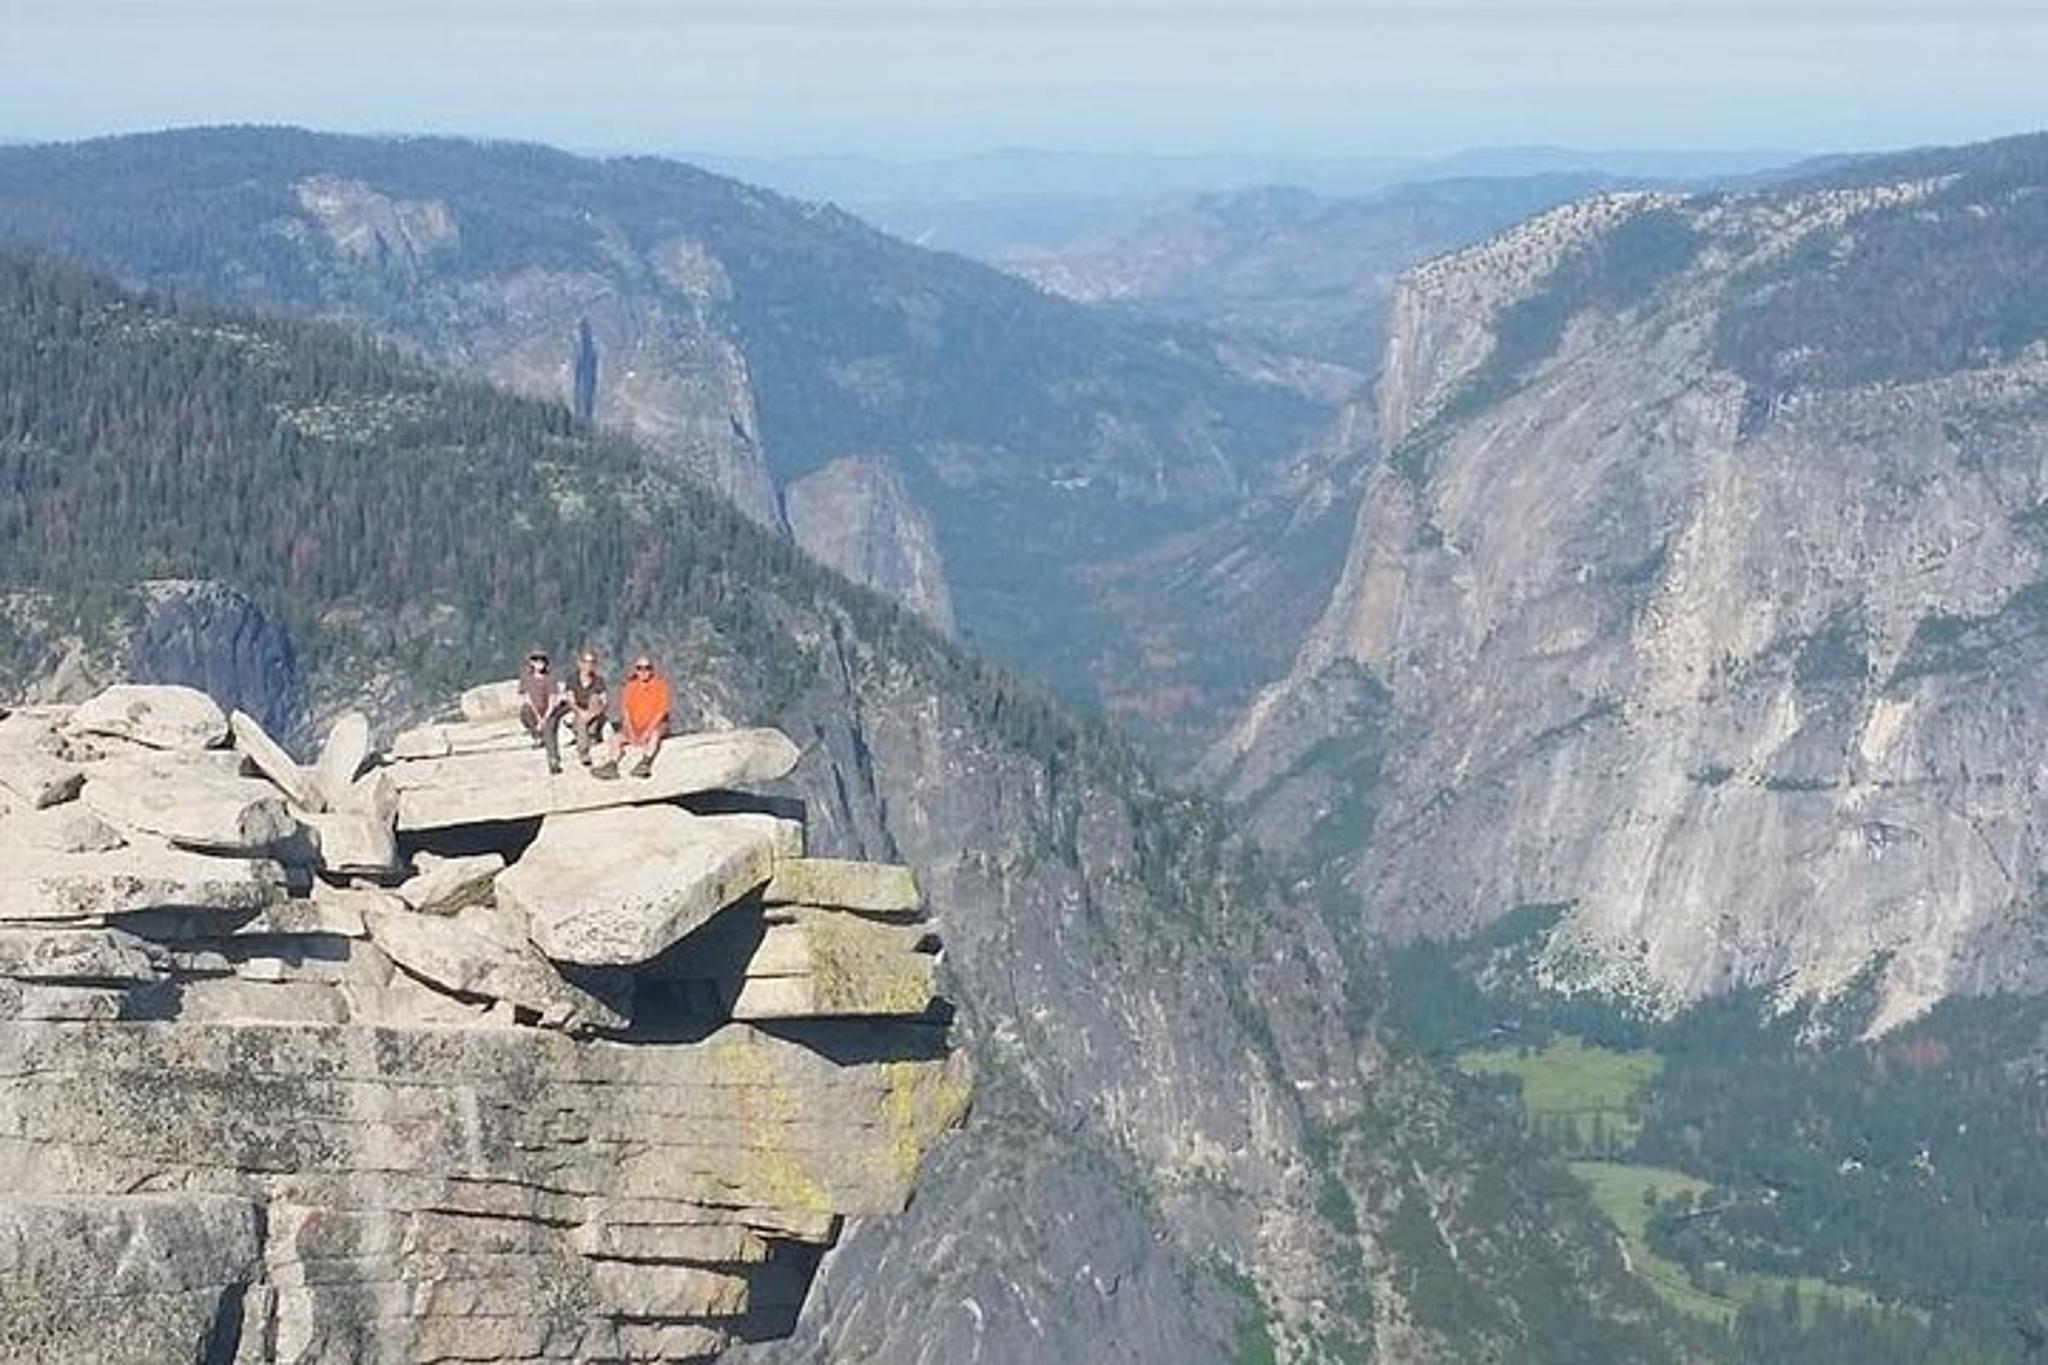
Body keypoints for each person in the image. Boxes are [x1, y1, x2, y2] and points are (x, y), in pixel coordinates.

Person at [608, 654, 671, 779]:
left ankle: (645, 763)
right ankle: (611, 765)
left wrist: (646, 733)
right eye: (639, 668)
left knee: (655, 735)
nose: (643, 671)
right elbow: (626, 711)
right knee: (616, 738)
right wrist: (631, 732)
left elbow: (660, 712)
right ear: (636, 670)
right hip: (635, 726)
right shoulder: (630, 687)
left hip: (654, 726)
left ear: (652, 670)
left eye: (647, 668)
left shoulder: (660, 686)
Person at [518, 648, 567, 775]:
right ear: (531, 663)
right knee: (525, 712)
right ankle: (537, 735)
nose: (539, 663)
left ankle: (553, 760)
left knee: (549, 730)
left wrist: (545, 718)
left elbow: (553, 699)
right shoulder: (526, 678)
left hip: (549, 710)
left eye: (542, 661)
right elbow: (526, 699)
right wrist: (538, 719)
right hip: (534, 710)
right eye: (536, 660)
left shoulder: (550, 678)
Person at [565, 648, 610, 767]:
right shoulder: (572, 679)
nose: (588, 665)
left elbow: (604, 702)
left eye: (592, 662)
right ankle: (584, 751)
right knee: (581, 720)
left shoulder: (599, 681)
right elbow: (570, 700)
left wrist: (592, 714)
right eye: (585, 662)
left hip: (594, 711)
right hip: (578, 710)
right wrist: (581, 712)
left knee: (594, 698)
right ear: (579, 663)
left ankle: (589, 735)